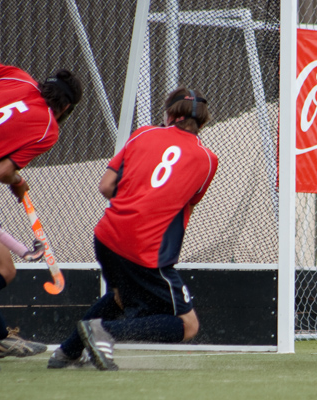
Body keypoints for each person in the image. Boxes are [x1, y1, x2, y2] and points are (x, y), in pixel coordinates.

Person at [47, 85, 218, 371]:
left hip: (107, 235)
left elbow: (106, 186)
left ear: (170, 115)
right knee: (188, 325)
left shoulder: (143, 133)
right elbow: (189, 201)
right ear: (202, 120)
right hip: (146, 248)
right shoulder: (208, 159)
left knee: (120, 298)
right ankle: (106, 334)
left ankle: (67, 351)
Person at [0, 58, 83, 373]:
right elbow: (2, 170)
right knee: (2, 269)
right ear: (66, 108)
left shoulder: (16, 77)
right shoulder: (47, 129)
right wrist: (19, 181)